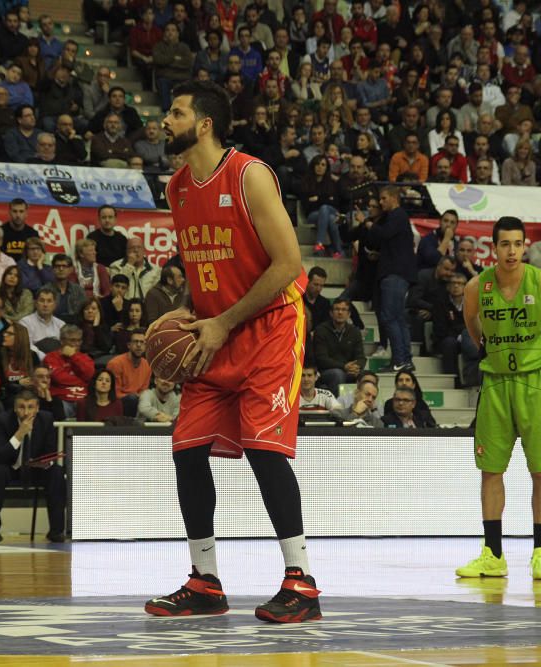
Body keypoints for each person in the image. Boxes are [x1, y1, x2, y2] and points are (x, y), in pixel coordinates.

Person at [144, 80, 321, 622]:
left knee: (265, 451)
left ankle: (303, 583)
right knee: (187, 449)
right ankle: (206, 582)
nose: (164, 121)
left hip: (270, 326)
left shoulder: (249, 175)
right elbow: (208, 268)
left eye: (174, 113)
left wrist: (223, 322)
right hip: (216, 330)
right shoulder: (176, 188)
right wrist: (187, 321)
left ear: (203, 124)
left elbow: (289, 265)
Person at [457, 216, 541, 581]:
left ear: (526, 246)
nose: (511, 250)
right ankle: (493, 554)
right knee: (491, 470)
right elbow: (471, 321)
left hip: (534, 383)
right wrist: (486, 347)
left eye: (517, 244)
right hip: (495, 382)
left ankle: (540, 552)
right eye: (504, 244)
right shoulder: (477, 287)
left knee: (540, 471)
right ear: (493, 248)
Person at [0, 389, 65, 543]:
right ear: (15, 408)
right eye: (21, 407)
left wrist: (43, 462)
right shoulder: (2, 420)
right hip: (9, 466)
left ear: (37, 408)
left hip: (35, 468)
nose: (26, 412)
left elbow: (50, 451)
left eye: (30, 407)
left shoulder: (46, 419)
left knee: (56, 472)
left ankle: (56, 531)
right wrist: (19, 435)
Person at [369, 185, 416, 372]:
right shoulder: (398, 217)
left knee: (389, 317)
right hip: (399, 273)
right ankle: (405, 359)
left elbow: (383, 233)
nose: (381, 203)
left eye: (383, 198)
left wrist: (369, 224)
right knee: (397, 318)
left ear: (394, 198)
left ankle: (399, 359)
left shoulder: (397, 215)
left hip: (395, 274)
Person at [312, 298, 365, 396]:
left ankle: (364, 408)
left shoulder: (355, 331)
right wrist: (344, 366)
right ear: (331, 313)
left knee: (367, 376)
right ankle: (337, 408)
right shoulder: (321, 330)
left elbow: (361, 357)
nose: (340, 312)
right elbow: (322, 359)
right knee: (337, 374)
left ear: (349, 314)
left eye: (344, 310)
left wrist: (357, 367)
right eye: (337, 309)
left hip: (348, 370)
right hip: (326, 371)